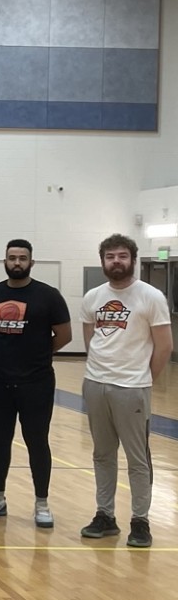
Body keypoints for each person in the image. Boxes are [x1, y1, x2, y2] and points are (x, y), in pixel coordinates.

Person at [80, 234, 172, 548]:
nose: (115, 261)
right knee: (102, 455)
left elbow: (164, 346)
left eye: (122, 256)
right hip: (95, 384)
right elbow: (90, 339)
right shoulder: (93, 296)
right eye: (110, 256)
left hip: (132, 388)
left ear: (132, 259)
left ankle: (140, 520)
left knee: (137, 459)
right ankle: (105, 516)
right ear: (102, 260)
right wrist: (101, 370)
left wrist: (143, 378)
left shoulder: (151, 296)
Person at [0, 240, 71, 529]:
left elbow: (64, 336)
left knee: (37, 442)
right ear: (4, 260)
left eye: (22, 258)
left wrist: (38, 354)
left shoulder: (48, 296)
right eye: (12, 258)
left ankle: (42, 503)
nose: (17, 262)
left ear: (31, 262)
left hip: (36, 382)